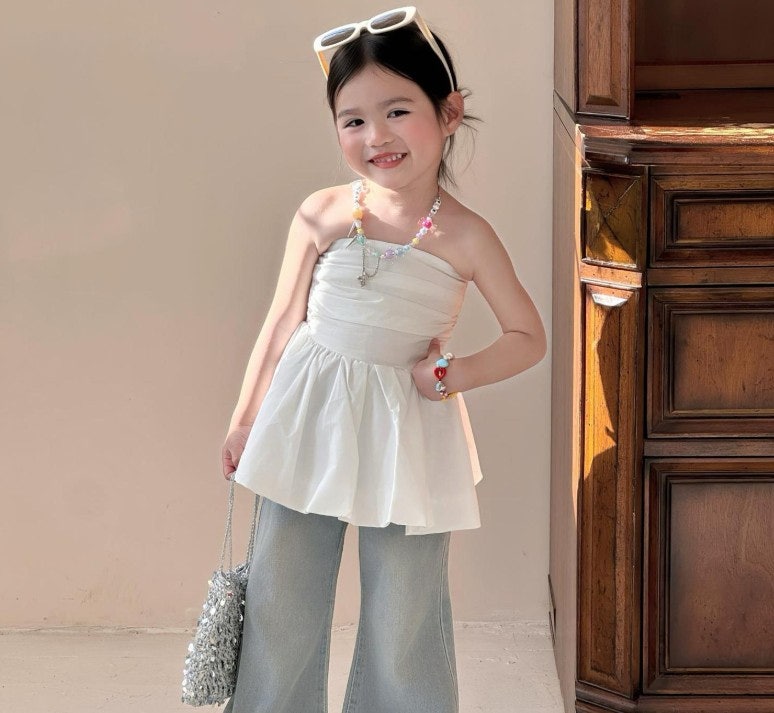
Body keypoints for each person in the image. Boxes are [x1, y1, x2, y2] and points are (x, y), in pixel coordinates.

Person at [220, 7, 546, 713]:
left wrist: (450, 375)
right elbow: (282, 322)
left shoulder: (467, 236)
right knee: (281, 597)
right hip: (307, 418)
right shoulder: (323, 212)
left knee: (404, 613)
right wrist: (245, 419)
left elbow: (528, 335)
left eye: (398, 111)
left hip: (409, 430)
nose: (377, 136)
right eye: (354, 120)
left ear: (449, 112)